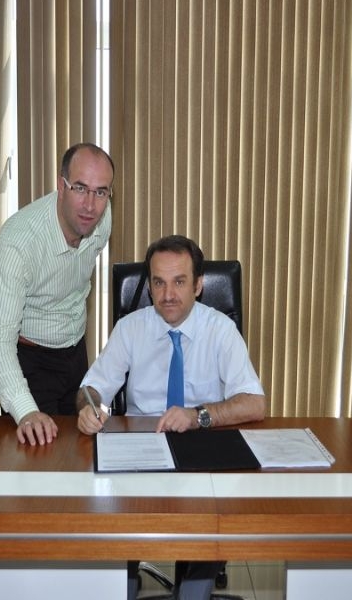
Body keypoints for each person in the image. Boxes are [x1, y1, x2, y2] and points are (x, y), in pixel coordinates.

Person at [77, 234, 266, 600]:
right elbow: (92, 387)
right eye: (159, 283)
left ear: (198, 285)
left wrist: (198, 416)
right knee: (118, 546)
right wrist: (88, 406)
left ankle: (193, 591)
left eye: (179, 282)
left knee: (204, 538)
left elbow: (254, 403)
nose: (168, 295)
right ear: (149, 286)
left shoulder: (220, 330)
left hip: (203, 449)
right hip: (140, 450)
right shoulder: (131, 328)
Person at [0, 142, 115, 446]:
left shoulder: (103, 219)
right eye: (80, 188)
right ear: (61, 185)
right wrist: (26, 411)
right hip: (31, 361)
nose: (90, 206)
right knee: (40, 454)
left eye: (101, 192)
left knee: (82, 450)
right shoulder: (19, 242)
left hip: (75, 351)